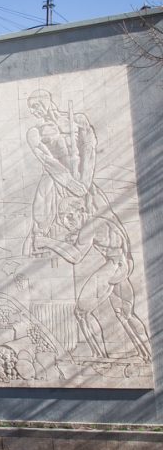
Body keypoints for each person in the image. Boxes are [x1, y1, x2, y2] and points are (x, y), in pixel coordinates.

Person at [34, 197, 151, 363]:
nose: (66, 222)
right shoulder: (101, 221)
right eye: (63, 219)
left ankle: (100, 356)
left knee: (81, 312)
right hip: (122, 264)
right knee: (126, 314)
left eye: (69, 216)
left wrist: (47, 242)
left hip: (114, 266)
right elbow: (116, 244)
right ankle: (146, 354)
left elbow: (76, 256)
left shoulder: (89, 227)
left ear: (81, 211)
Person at [25, 89, 102, 255]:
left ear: (46, 101)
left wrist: (84, 181)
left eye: (35, 105)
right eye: (30, 108)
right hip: (56, 177)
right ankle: (39, 241)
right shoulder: (34, 132)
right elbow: (46, 158)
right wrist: (68, 182)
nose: (32, 111)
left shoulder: (78, 119)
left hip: (82, 177)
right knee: (42, 204)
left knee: (100, 208)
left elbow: (89, 149)